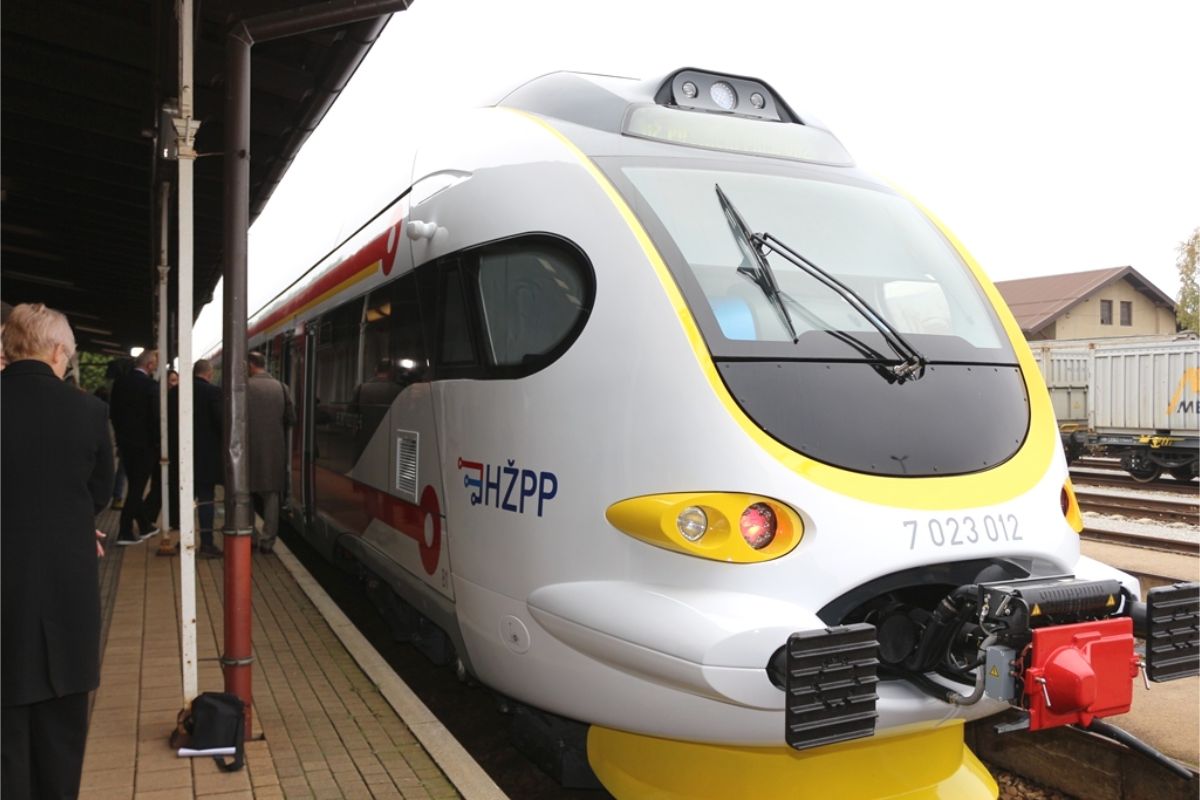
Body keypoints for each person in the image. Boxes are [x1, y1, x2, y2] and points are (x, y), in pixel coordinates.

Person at [1, 303, 114, 799]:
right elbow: (101, 492)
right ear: (55, 351)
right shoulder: (88, 411)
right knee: (63, 729)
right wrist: (69, 524)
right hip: (66, 587)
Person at [168, 359, 224, 558]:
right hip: (206, 458)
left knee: (186, 500)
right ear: (209, 373)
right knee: (206, 500)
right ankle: (207, 544)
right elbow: (221, 423)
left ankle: (184, 539)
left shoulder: (175, 392)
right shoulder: (214, 392)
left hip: (181, 456)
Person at [109, 348, 161, 544]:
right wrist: (157, 442)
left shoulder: (120, 383)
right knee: (137, 488)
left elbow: (113, 413)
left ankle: (145, 525)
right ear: (149, 365)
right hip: (145, 446)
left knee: (134, 485)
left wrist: (120, 436)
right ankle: (125, 531)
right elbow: (155, 418)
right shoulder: (150, 386)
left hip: (125, 444)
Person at [246, 351, 295, 554]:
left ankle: (250, 537)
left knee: (246, 495)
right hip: (274, 451)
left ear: (250, 365)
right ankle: (267, 541)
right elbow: (291, 418)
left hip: (249, 451)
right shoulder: (282, 388)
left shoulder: (244, 387)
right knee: (271, 497)